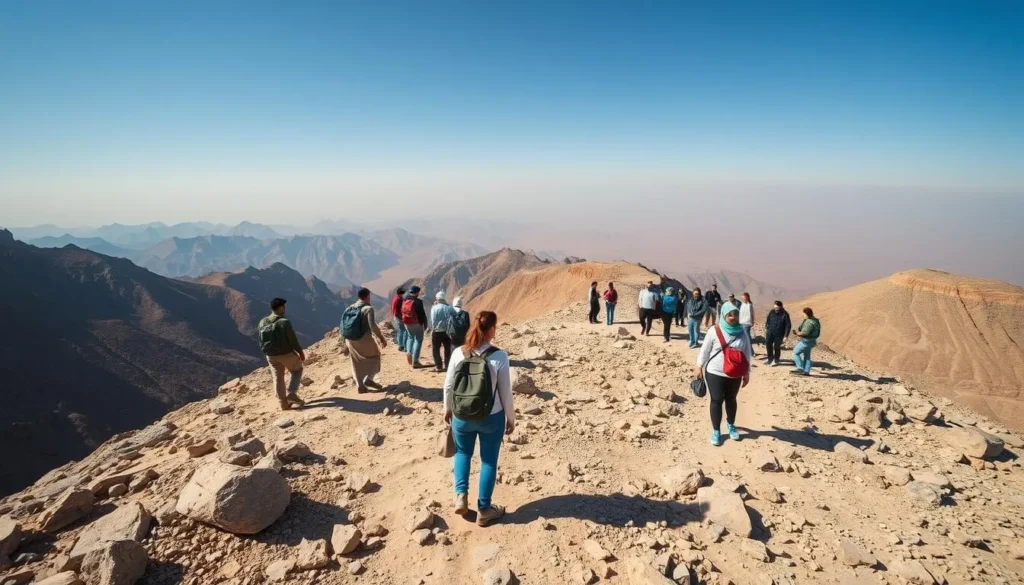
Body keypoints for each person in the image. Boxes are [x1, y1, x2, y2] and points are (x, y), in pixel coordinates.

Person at [443, 311, 514, 527]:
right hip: (491, 418)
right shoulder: (499, 356)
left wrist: (447, 409)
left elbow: (448, 385)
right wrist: (511, 419)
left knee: (463, 452)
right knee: (489, 461)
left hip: (461, 416)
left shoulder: (459, 353)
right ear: (491, 330)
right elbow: (505, 392)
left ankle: (461, 497)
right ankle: (484, 509)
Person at [694, 303, 752, 446]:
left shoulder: (742, 332)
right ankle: (716, 431)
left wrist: (747, 373)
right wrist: (699, 366)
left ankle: (731, 425)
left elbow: (747, 353)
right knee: (717, 400)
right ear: (724, 315)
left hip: (735, 373)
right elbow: (705, 350)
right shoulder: (714, 330)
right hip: (715, 372)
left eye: (736, 314)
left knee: (731, 399)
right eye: (730, 315)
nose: (733, 317)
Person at [257, 297, 306, 410]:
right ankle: (292, 393)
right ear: (280, 308)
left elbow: (260, 339)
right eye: (283, 307)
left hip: (270, 355)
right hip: (285, 354)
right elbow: (293, 340)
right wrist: (300, 352)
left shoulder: (262, 322)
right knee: (297, 370)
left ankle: (283, 403)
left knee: (277, 377)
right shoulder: (284, 322)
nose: (284, 308)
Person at [343, 288, 388, 393]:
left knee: (355, 362)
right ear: (368, 296)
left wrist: (344, 342)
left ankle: (360, 386)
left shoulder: (349, 308)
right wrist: (381, 338)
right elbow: (372, 326)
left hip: (349, 340)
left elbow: (344, 325)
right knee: (376, 356)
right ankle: (369, 379)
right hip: (363, 338)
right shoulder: (368, 309)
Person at [400, 286, 429, 369]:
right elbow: (422, 314)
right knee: (418, 340)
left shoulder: (405, 299)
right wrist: (425, 324)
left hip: (406, 322)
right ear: (416, 293)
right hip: (416, 323)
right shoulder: (418, 302)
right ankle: (415, 361)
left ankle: (409, 351)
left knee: (410, 337)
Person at [430, 291, 456, 372]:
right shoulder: (449, 308)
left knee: (435, 349)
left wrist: (433, 329)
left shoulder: (434, 308)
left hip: (437, 331)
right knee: (447, 348)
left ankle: (438, 366)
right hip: (447, 332)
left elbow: (432, 320)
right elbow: (455, 317)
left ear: (437, 299)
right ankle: (447, 365)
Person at [792, 307, 821, 376]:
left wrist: (797, 334)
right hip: (812, 341)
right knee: (807, 356)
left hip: (806, 341)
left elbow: (805, 333)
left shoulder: (809, 322)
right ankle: (806, 371)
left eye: (804, 314)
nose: (803, 315)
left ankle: (799, 367)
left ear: (807, 314)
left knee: (796, 352)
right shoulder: (815, 320)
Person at [763, 300, 791, 367]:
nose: (776, 308)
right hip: (770, 332)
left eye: (777, 306)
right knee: (768, 344)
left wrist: (786, 335)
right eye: (775, 306)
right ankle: (770, 359)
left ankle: (776, 360)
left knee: (776, 347)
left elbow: (788, 325)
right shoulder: (772, 312)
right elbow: (768, 320)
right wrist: (767, 328)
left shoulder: (785, 314)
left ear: (781, 306)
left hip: (779, 334)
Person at [390, 287, 407, 353]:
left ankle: (400, 344)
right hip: (399, 317)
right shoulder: (399, 300)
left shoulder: (396, 298)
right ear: (401, 293)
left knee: (400, 330)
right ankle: (401, 345)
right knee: (402, 330)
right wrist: (402, 318)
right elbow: (398, 310)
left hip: (396, 316)